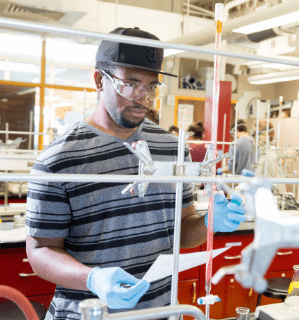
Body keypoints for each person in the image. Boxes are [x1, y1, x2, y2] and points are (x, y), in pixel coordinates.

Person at [25, 27, 246, 320]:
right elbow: (40, 251)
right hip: (87, 314)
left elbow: (183, 230)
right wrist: (93, 279)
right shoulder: (58, 159)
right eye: (130, 84)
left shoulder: (171, 148)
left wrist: (208, 222)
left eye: (151, 87)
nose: (142, 97)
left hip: (160, 312)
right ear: (99, 80)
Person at [253, 120, 286, 193]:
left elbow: (277, 182)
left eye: (257, 133)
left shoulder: (270, 156)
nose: (255, 136)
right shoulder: (265, 152)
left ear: (265, 135)